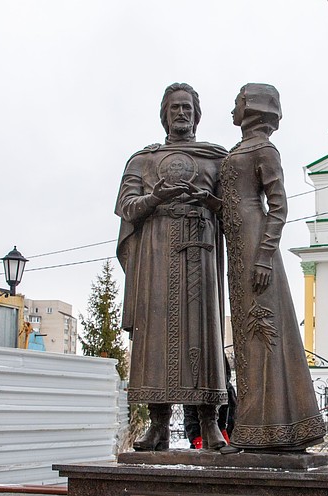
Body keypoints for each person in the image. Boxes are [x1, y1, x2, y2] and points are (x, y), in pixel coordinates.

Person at [116, 83, 229, 452]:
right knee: (156, 338)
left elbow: (235, 209)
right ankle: (158, 425)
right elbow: (127, 207)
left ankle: (210, 425)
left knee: (204, 334)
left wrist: (211, 202)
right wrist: (156, 196)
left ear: (197, 115)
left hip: (201, 250)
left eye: (187, 108)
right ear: (164, 114)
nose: (181, 113)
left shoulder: (216, 159)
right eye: (174, 108)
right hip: (157, 255)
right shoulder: (143, 161)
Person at [219, 83, 327, 451]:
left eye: (237, 102)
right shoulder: (242, 149)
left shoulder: (264, 148)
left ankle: (275, 429)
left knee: (263, 335)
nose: (232, 109)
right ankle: (257, 428)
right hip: (238, 249)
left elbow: (278, 206)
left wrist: (264, 254)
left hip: (254, 248)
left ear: (251, 107)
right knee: (251, 340)